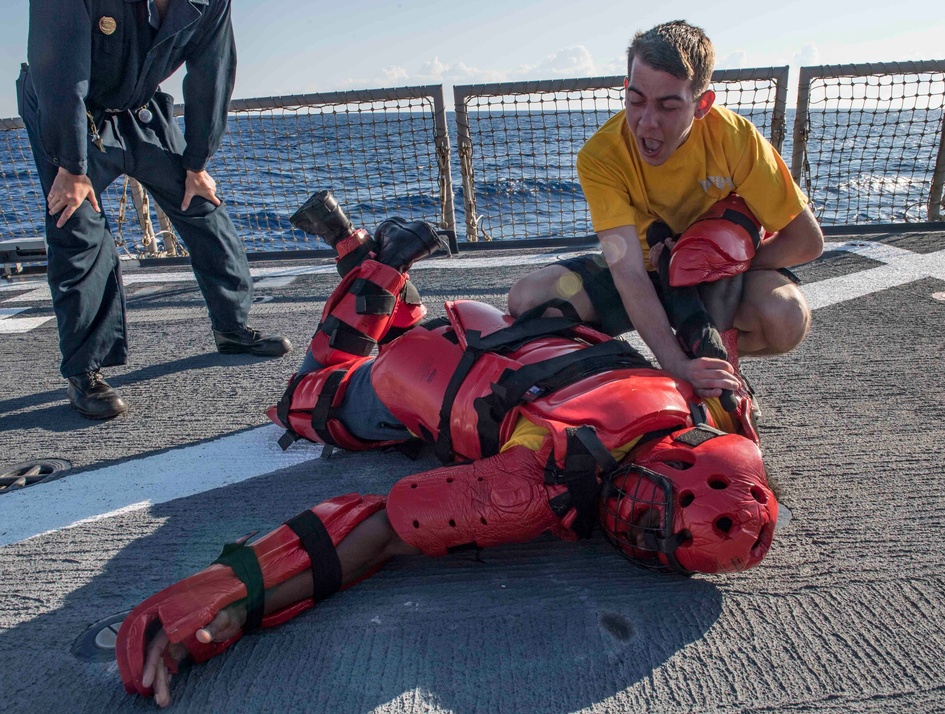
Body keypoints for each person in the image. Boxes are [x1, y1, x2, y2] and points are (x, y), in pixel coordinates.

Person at [116, 195, 780, 707]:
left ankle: (364, 250)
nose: (627, 525)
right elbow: (374, 527)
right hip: (431, 371)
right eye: (647, 513)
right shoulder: (543, 477)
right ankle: (378, 261)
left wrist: (746, 218)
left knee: (382, 369)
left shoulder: (715, 407)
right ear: (677, 462)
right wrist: (231, 595)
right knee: (310, 401)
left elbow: (709, 260)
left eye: (646, 538)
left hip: (533, 333)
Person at [507, 20, 825, 403]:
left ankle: (724, 365)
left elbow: (806, 241)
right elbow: (628, 274)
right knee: (529, 300)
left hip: (719, 278)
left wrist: (710, 263)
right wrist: (674, 363)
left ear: (702, 104)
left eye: (668, 105)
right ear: (626, 89)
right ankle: (636, 371)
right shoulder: (600, 156)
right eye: (636, 100)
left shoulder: (736, 139)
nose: (647, 122)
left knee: (785, 316)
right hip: (644, 272)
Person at [16, 0, 291, 420]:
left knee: (200, 203)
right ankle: (85, 371)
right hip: (66, 108)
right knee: (79, 226)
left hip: (139, 108)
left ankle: (232, 328)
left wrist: (197, 163)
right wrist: (71, 165)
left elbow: (211, 73)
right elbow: (59, 71)